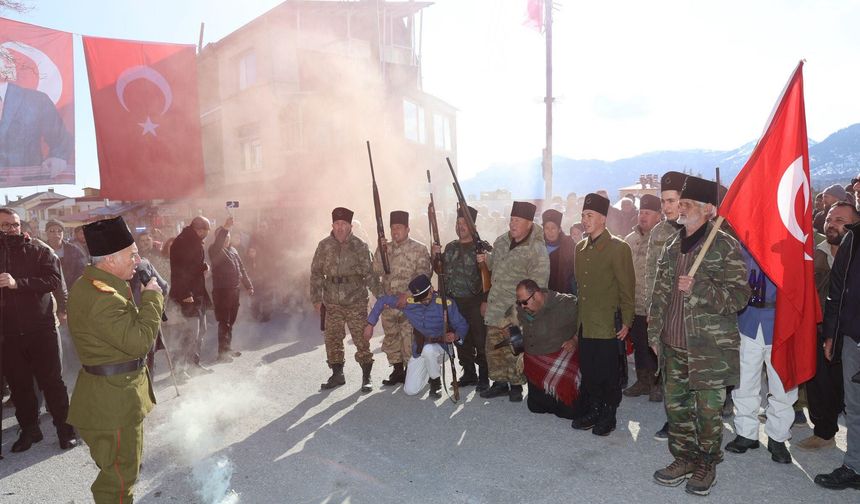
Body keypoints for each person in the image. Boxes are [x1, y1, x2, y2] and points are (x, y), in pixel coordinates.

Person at [648, 176, 750, 496]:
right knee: (677, 408)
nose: (681, 207)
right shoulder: (671, 244)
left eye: (687, 203)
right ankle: (685, 458)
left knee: (708, 412)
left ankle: (707, 463)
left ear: (708, 209)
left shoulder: (725, 245)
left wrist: (701, 289)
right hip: (673, 342)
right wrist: (654, 332)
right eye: (681, 202)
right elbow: (659, 294)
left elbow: (740, 296)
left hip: (708, 348)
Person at [67, 216, 164, 504]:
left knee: (115, 470)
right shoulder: (103, 297)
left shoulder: (93, 283)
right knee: (119, 481)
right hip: (114, 403)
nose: (138, 259)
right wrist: (153, 299)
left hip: (106, 396)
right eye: (132, 255)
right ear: (109, 260)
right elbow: (140, 343)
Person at [0, 207, 77, 452]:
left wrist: (17, 283)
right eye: (5, 225)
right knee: (20, 386)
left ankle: (66, 431)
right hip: (8, 334)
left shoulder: (40, 249)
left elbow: (53, 281)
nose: (11, 229)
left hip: (42, 329)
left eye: (14, 224)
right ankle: (30, 431)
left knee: (52, 383)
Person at [570, 193, 635, 436]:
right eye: (583, 216)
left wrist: (627, 320)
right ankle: (594, 408)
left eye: (590, 216)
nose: (585, 220)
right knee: (590, 369)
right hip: (586, 322)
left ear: (603, 219)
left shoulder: (619, 248)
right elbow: (579, 287)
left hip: (608, 323)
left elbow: (627, 289)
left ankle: (609, 412)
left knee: (608, 372)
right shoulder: (580, 249)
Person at [798, 202, 860, 451]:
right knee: (820, 382)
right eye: (830, 219)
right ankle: (824, 432)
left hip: (851, 331)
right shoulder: (812, 252)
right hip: (820, 327)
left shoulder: (855, 251)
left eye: (840, 220)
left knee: (850, 389)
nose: (832, 224)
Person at [724, 252, 796, 464]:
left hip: (781, 324)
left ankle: (778, 437)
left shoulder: (788, 243)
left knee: (782, 384)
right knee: (744, 381)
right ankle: (746, 433)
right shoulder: (743, 245)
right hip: (748, 320)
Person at [478, 201, 549, 402]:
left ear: (529, 223)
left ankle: (516, 384)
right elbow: (494, 266)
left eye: (517, 220)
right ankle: (499, 382)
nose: (512, 224)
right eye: (511, 219)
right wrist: (485, 259)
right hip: (496, 304)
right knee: (493, 346)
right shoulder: (501, 241)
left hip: (516, 308)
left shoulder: (536, 249)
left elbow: (539, 284)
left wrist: (525, 309)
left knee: (514, 347)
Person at [814, 203, 860, 490]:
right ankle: (854, 466)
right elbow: (837, 292)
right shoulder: (852, 239)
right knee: (854, 408)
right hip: (852, 339)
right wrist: (831, 334)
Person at [364, 274, 468, 398]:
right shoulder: (409, 303)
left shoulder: (446, 303)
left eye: (426, 296)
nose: (424, 301)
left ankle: (436, 383)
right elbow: (383, 301)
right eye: (420, 298)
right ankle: (430, 371)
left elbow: (462, 325)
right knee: (410, 390)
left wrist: (456, 336)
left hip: (442, 348)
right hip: (419, 349)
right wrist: (370, 324)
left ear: (431, 289)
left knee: (429, 350)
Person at [311, 207, 377, 392]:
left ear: (350, 226)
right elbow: (316, 273)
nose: (340, 227)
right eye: (337, 224)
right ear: (332, 225)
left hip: (356, 301)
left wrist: (380, 296)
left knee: (361, 339)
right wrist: (316, 298)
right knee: (332, 339)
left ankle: (366, 376)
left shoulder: (360, 246)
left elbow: (370, 275)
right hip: (331, 302)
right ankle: (337, 374)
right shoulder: (324, 246)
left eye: (344, 224)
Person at [644, 171, 687, 440]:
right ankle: (674, 420)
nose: (667, 206)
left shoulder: (700, 230)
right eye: (664, 201)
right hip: (667, 312)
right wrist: (652, 310)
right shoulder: (659, 232)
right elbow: (651, 274)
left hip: (693, 314)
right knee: (671, 371)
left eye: (672, 200)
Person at [372, 210, 432, 386]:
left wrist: (408, 294)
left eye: (399, 227)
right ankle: (397, 371)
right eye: (393, 228)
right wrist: (380, 250)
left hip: (410, 304)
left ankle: (411, 371)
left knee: (409, 339)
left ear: (407, 229)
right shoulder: (386, 249)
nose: (395, 231)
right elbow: (375, 270)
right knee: (391, 337)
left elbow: (423, 275)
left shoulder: (419, 249)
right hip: (390, 304)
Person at [438, 205, 489, 391]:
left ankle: (484, 375)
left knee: (480, 339)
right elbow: (440, 271)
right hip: (454, 302)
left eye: (464, 223)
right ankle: (469, 373)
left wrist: (485, 300)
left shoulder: (482, 247)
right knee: (461, 339)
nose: (460, 226)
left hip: (475, 302)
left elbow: (489, 276)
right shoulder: (450, 247)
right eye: (458, 223)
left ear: (472, 226)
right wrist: (435, 255)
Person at [0, 47, 72, 175]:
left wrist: (58, 157)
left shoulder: (36, 100)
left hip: (28, 183)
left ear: (7, 65)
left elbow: (60, 139)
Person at [515, 279, 580, 419]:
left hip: (559, 356)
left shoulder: (565, 304)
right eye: (519, 303)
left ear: (537, 295)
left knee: (569, 412)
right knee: (535, 408)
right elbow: (513, 321)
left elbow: (586, 320)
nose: (522, 306)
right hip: (535, 362)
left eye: (524, 302)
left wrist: (575, 339)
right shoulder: (523, 306)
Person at [623, 194, 663, 401]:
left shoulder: (665, 238)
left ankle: (658, 383)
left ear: (658, 215)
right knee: (639, 344)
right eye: (641, 212)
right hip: (635, 304)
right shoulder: (630, 240)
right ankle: (643, 380)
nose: (643, 216)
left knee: (656, 344)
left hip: (655, 305)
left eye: (648, 213)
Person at [169, 216, 213, 376]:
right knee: (187, 333)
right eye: (205, 231)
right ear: (199, 229)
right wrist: (185, 293)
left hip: (198, 294)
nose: (206, 234)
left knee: (201, 331)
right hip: (186, 296)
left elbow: (192, 265)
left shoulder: (194, 241)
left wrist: (203, 266)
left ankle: (194, 364)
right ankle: (178, 369)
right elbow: (180, 270)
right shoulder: (182, 242)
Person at [209, 217, 254, 363]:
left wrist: (248, 285)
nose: (227, 239)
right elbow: (219, 242)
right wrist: (226, 228)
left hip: (234, 291)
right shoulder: (215, 250)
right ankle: (222, 353)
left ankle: (228, 348)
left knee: (231, 321)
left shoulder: (233, 250)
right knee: (224, 321)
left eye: (228, 237)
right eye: (224, 236)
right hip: (222, 291)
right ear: (218, 238)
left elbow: (241, 268)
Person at [247, 220, 277, 322]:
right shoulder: (253, 238)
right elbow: (249, 251)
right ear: (258, 228)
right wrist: (251, 253)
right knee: (256, 293)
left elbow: (275, 253)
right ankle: (255, 313)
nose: (262, 228)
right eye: (261, 226)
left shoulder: (271, 238)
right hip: (257, 270)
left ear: (267, 228)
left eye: (264, 226)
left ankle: (266, 315)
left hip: (269, 270)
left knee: (268, 294)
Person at [44, 220, 87, 289]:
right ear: (46, 233)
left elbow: (82, 270)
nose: (56, 234)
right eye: (52, 231)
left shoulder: (73, 250)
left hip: (72, 289)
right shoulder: (41, 250)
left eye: (59, 231)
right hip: (49, 290)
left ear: (63, 233)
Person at [542, 209, 576, 294]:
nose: (550, 232)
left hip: (564, 293)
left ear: (559, 229)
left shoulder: (569, 245)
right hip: (542, 293)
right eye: (547, 228)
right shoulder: (538, 245)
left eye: (553, 228)